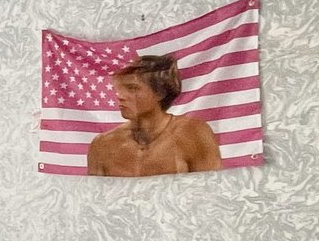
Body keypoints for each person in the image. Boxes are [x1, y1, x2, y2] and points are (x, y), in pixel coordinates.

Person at [85, 53, 222, 176]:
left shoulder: (193, 133)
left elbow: (212, 190)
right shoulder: (102, 145)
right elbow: (95, 195)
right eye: (120, 89)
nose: (120, 96)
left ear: (160, 92)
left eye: (132, 88)